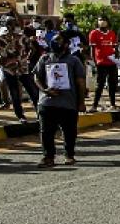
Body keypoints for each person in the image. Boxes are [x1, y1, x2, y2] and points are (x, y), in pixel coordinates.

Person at [33, 31, 86, 167]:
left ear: (66, 44)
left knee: (69, 131)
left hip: (68, 102)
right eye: (54, 40)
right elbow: (36, 77)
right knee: (46, 131)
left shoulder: (74, 61)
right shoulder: (45, 59)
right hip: (47, 102)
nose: (55, 42)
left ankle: (69, 155)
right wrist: (45, 90)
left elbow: (80, 82)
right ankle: (48, 157)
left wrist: (81, 102)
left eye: (58, 40)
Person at [0, 21, 37, 123]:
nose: (15, 27)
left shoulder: (22, 37)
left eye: (16, 25)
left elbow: (32, 49)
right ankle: (20, 116)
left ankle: (40, 113)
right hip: (9, 69)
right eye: (13, 25)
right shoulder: (1, 39)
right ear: (8, 27)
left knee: (32, 90)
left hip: (22, 68)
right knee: (14, 93)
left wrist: (26, 58)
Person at [88, 15, 120, 111]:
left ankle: (113, 105)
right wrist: (94, 62)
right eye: (100, 20)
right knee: (100, 85)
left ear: (108, 21)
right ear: (97, 22)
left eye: (104, 20)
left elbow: (115, 47)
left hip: (112, 62)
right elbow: (92, 49)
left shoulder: (112, 33)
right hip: (101, 63)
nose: (102, 21)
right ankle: (94, 106)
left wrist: (117, 58)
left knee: (112, 84)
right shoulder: (94, 33)